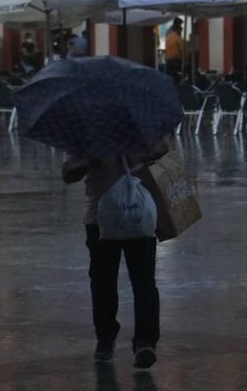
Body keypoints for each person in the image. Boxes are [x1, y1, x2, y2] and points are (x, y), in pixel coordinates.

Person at [62, 138, 170, 369]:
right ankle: (105, 339)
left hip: (139, 211)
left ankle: (145, 341)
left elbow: (163, 147)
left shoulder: (139, 125)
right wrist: (90, 162)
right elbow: (68, 173)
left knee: (144, 281)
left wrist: (140, 154)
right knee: (102, 281)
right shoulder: (85, 133)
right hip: (99, 218)